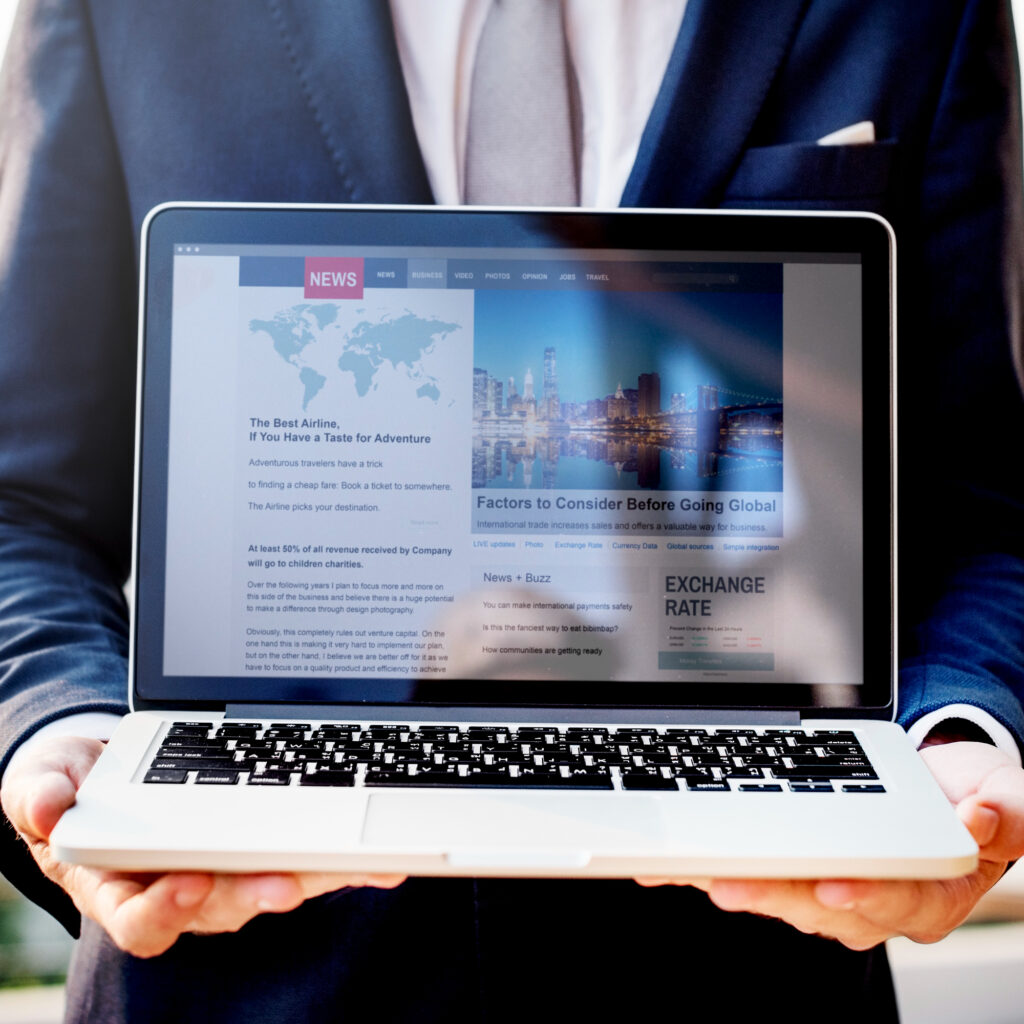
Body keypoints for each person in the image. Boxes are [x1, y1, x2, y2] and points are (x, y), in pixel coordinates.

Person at [1, 1, 1024, 1020]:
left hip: (743, 986)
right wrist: (64, 731)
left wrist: (958, 733)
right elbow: (22, 503)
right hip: (242, 981)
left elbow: (989, 506)